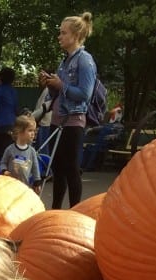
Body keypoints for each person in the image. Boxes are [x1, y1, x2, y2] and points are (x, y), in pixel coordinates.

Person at [39, 11, 97, 209]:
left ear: (75, 36)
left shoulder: (85, 60)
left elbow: (84, 94)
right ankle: (55, 209)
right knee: (58, 168)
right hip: (57, 119)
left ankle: (75, 210)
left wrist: (60, 84)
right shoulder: (65, 61)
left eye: (63, 33)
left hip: (73, 122)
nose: (59, 36)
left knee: (71, 168)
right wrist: (49, 84)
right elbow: (59, 92)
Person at [0, 115, 41, 189]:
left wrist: (37, 182)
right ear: (19, 131)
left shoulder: (32, 151)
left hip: (24, 186)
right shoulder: (10, 149)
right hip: (9, 185)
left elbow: (35, 168)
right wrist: (4, 171)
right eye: (30, 130)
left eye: (34, 131)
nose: (33, 133)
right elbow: (3, 163)